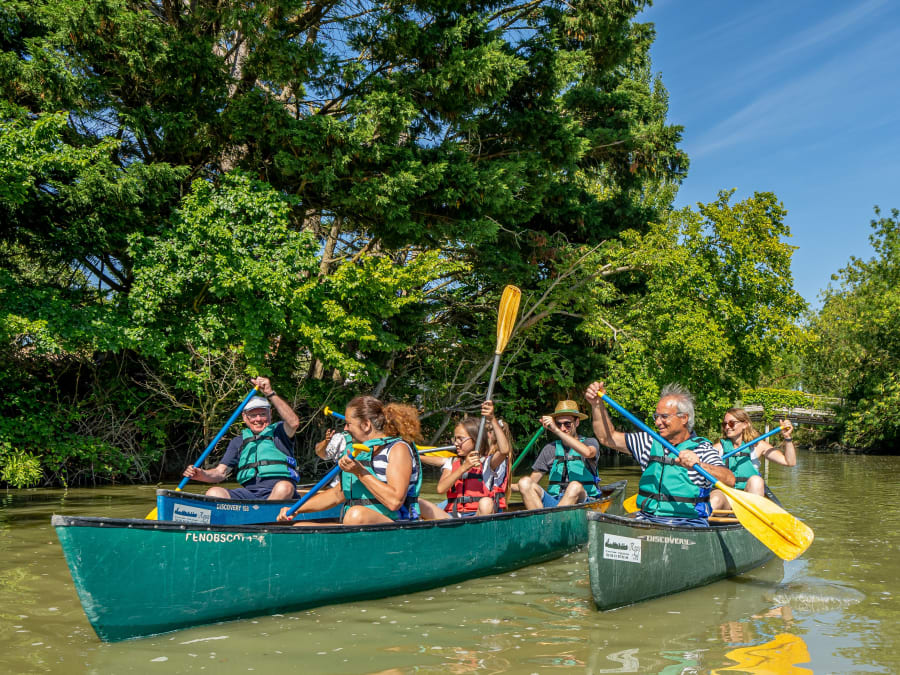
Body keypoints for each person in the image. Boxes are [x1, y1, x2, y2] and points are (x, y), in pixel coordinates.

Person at [585, 381, 735, 527]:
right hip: (647, 517)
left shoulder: (702, 448)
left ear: (684, 418)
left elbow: (729, 479)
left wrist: (700, 465)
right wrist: (597, 405)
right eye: (656, 417)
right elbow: (607, 437)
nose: (657, 422)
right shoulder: (648, 441)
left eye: (664, 417)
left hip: (687, 522)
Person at [278, 395, 423, 525]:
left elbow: (394, 501)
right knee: (302, 526)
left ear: (366, 425)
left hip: (395, 523)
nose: (345, 429)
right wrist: (296, 509)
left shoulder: (398, 449)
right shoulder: (360, 451)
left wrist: (359, 472)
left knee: (355, 514)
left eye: (349, 423)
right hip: (356, 524)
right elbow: (338, 494)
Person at [182, 376, 300, 500]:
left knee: (284, 487)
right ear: (244, 417)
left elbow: (294, 422)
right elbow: (220, 472)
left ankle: (265, 517)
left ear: (270, 414)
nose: (258, 419)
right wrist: (201, 474)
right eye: (253, 415)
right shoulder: (238, 442)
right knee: (214, 492)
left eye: (263, 414)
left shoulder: (279, 431)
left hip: (280, 491)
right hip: (250, 494)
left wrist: (270, 393)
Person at [418, 401, 512, 519]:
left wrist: (492, 418)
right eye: (455, 439)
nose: (456, 443)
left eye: (460, 439)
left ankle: (477, 533)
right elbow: (441, 489)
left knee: (486, 503)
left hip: (476, 517)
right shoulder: (451, 462)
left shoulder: (487, 463)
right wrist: (463, 467)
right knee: (419, 503)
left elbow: (504, 451)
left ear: (474, 439)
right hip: (453, 516)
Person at [515, 400, 602, 510]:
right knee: (524, 482)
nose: (562, 428)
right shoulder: (550, 449)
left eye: (567, 424)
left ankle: (555, 522)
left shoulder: (590, 442)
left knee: (574, 486)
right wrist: (505, 487)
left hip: (584, 500)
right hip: (555, 501)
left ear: (577, 422)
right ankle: (540, 522)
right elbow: (532, 482)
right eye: (558, 424)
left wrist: (555, 430)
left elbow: (588, 453)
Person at [710, 408, 796, 510]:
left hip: (747, 498)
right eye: (725, 424)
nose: (727, 427)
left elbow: (789, 462)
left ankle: (754, 518)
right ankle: (704, 522)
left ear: (745, 424)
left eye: (731, 423)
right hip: (726, 497)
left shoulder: (757, 446)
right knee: (715, 498)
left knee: (757, 481)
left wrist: (787, 437)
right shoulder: (717, 448)